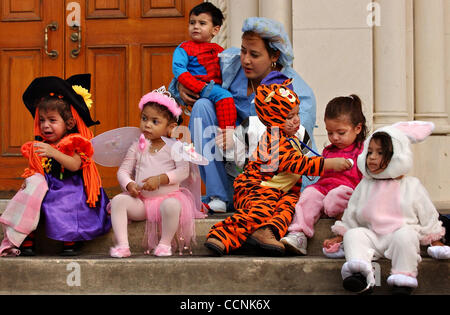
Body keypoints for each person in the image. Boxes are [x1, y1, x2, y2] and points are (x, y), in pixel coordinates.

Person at [170, 17, 318, 213]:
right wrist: (180, 86)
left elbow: (290, 138)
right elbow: (199, 70)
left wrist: (241, 134)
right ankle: (219, 196)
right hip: (236, 171)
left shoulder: (297, 92)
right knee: (202, 106)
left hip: (279, 180)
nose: (246, 60)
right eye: (243, 50)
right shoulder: (232, 65)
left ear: (274, 56)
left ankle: (261, 201)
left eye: (254, 55)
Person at [203, 72, 352, 257]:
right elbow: (296, 163)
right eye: (289, 117)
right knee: (260, 209)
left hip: (282, 192)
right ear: (273, 120)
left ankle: (267, 232)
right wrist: (329, 164)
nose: (296, 120)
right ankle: (221, 235)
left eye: (297, 114)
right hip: (256, 188)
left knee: (287, 210)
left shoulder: (294, 138)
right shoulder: (272, 139)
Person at [323, 121, 449, 295]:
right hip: (373, 236)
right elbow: (351, 214)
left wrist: (434, 240)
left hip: (399, 235)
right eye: (369, 152)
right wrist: (340, 236)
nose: (372, 157)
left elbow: (428, 215)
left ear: (398, 156)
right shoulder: (364, 185)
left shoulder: (411, 185)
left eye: (380, 153)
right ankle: (360, 275)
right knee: (354, 235)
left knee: (407, 236)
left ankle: (402, 280)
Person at [0, 74, 111, 256]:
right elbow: (39, 168)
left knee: (66, 202)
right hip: (50, 185)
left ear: (68, 123)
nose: (45, 126)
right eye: (42, 120)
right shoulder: (42, 144)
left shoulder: (73, 141)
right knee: (32, 198)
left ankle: (70, 240)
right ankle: (27, 238)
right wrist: (30, 178)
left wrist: (54, 153)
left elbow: (75, 165)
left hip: (72, 187)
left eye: (52, 120)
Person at [109, 86, 206, 258]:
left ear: (171, 127)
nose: (147, 124)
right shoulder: (137, 146)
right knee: (118, 201)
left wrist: (161, 179)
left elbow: (183, 171)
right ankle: (123, 245)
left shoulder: (175, 147)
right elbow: (123, 171)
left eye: (155, 121)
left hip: (167, 201)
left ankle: (164, 243)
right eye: (144, 118)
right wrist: (129, 183)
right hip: (142, 202)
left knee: (172, 206)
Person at [281, 95, 368, 255]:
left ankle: (342, 237)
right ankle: (299, 234)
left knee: (338, 195)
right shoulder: (329, 151)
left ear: (358, 128)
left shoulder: (362, 151)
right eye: (330, 133)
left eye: (341, 132)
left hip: (348, 192)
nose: (334, 137)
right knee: (308, 194)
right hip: (323, 189)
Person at [173, 2, 236, 132]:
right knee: (225, 97)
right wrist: (196, 85)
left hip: (213, 87)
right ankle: (227, 134)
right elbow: (179, 68)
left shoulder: (220, 50)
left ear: (215, 29)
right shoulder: (184, 47)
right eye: (192, 22)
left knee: (225, 97)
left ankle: (222, 132)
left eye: (202, 23)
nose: (195, 26)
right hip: (199, 87)